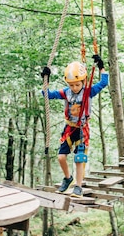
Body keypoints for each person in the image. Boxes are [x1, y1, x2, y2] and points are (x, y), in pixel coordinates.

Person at [41, 54, 108, 197]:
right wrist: (46, 78)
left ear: (83, 81)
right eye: (71, 85)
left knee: (79, 158)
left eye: (77, 84)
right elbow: (47, 94)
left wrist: (101, 67)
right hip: (69, 128)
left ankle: (78, 186)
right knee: (61, 157)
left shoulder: (89, 92)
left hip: (82, 129)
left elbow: (103, 82)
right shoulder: (66, 93)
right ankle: (67, 178)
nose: (75, 87)